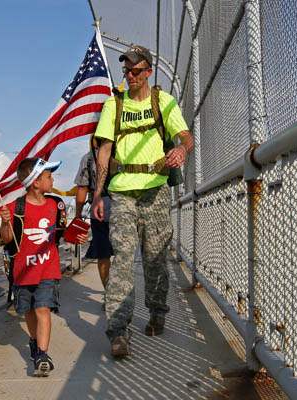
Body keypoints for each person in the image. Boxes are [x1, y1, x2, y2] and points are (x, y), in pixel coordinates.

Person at [91, 45, 194, 358]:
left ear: (149, 71)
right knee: (122, 259)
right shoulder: (113, 105)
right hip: (122, 191)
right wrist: (98, 193)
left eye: (136, 70)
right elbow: (104, 151)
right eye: (127, 70)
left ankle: (157, 311)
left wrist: (181, 150)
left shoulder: (163, 102)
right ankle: (118, 331)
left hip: (155, 190)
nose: (131, 75)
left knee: (154, 258)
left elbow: (186, 136)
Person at [0, 157, 87, 376]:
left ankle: (42, 354)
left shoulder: (56, 205)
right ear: (36, 182)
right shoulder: (16, 207)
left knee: (43, 309)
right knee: (29, 311)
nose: (52, 179)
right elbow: (6, 239)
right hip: (23, 271)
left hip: (48, 269)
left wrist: (76, 235)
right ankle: (34, 340)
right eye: (48, 176)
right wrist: (5, 222)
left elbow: (62, 234)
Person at [74, 137, 114, 300]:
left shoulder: (89, 158)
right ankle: (120, 294)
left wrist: (78, 216)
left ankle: (110, 294)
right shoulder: (121, 152)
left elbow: (82, 189)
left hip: (99, 212)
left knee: (103, 255)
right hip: (124, 208)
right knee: (124, 253)